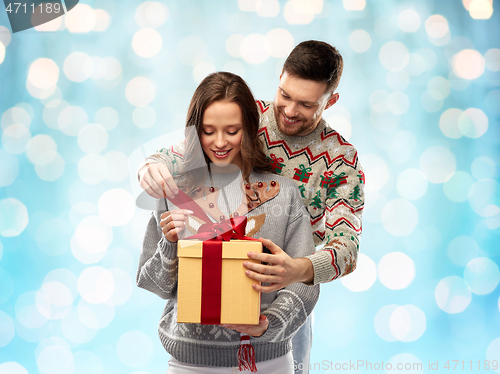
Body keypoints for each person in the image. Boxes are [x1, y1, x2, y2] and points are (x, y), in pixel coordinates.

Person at [138, 41, 365, 374]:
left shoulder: (341, 160)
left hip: (284, 293)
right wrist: (151, 164)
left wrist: (296, 269)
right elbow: (189, 149)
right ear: (279, 78)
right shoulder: (248, 115)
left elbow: (346, 249)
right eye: (285, 95)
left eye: (305, 104)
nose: (288, 110)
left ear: (331, 101)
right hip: (199, 324)